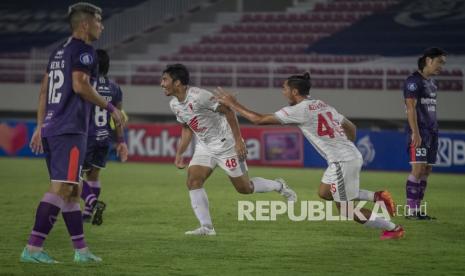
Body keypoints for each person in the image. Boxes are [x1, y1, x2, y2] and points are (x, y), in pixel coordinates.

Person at [215, 73, 404, 240]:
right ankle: (377, 196)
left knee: (346, 210)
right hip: (345, 157)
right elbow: (352, 128)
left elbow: (259, 120)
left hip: (342, 161)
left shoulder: (300, 109)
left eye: (285, 89)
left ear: (295, 92)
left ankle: (393, 228)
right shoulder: (321, 104)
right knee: (324, 193)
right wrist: (345, 145)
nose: (283, 92)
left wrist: (233, 104)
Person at [23, 2, 124, 263]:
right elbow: (80, 86)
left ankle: (81, 251)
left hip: (54, 127)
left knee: (74, 190)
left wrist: (39, 125)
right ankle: (33, 249)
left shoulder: (59, 51)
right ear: (85, 24)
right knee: (62, 188)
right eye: (99, 22)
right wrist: (110, 107)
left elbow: (44, 91)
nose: (102, 26)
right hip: (70, 129)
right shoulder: (84, 51)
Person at [161, 64, 297, 236]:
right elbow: (187, 128)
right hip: (205, 147)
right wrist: (180, 153)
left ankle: (279, 185)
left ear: (178, 82)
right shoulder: (174, 104)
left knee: (244, 188)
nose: (162, 83)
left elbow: (229, 111)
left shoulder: (200, 96)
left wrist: (238, 141)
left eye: (165, 79)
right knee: (193, 181)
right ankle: (207, 228)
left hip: (227, 146)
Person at [81, 49, 128, 225]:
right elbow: (119, 117)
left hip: (86, 137)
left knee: (73, 177)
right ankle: (86, 214)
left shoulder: (85, 85)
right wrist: (121, 141)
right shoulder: (115, 88)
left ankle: (92, 203)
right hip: (104, 138)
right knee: (94, 176)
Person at [403, 47, 447, 220]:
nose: (441, 67)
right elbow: (410, 107)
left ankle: (418, 210)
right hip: (419, 131)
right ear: (429, 60)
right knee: (418, 168)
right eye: (439, 62)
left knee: (427, 170)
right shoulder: (413, 81)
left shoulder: (432, 84)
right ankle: (410, 211)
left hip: (432, 132)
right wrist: (415, 132)